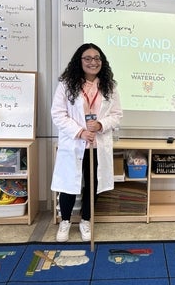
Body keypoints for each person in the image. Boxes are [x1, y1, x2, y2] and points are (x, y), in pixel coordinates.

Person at [51, 43, 122, 242]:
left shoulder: (110, 86)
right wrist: (80, 132)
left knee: (93, 183)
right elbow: (57, 114)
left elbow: (117, 115)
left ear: (102, 61)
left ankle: (85, 220)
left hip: (97, 145)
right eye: (88, 58)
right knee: (68, 184)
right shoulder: (66, 84)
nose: (93, 62)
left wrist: (100, 124)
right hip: (75, 143)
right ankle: (65, 221)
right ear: (79, 61)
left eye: (97, 58)